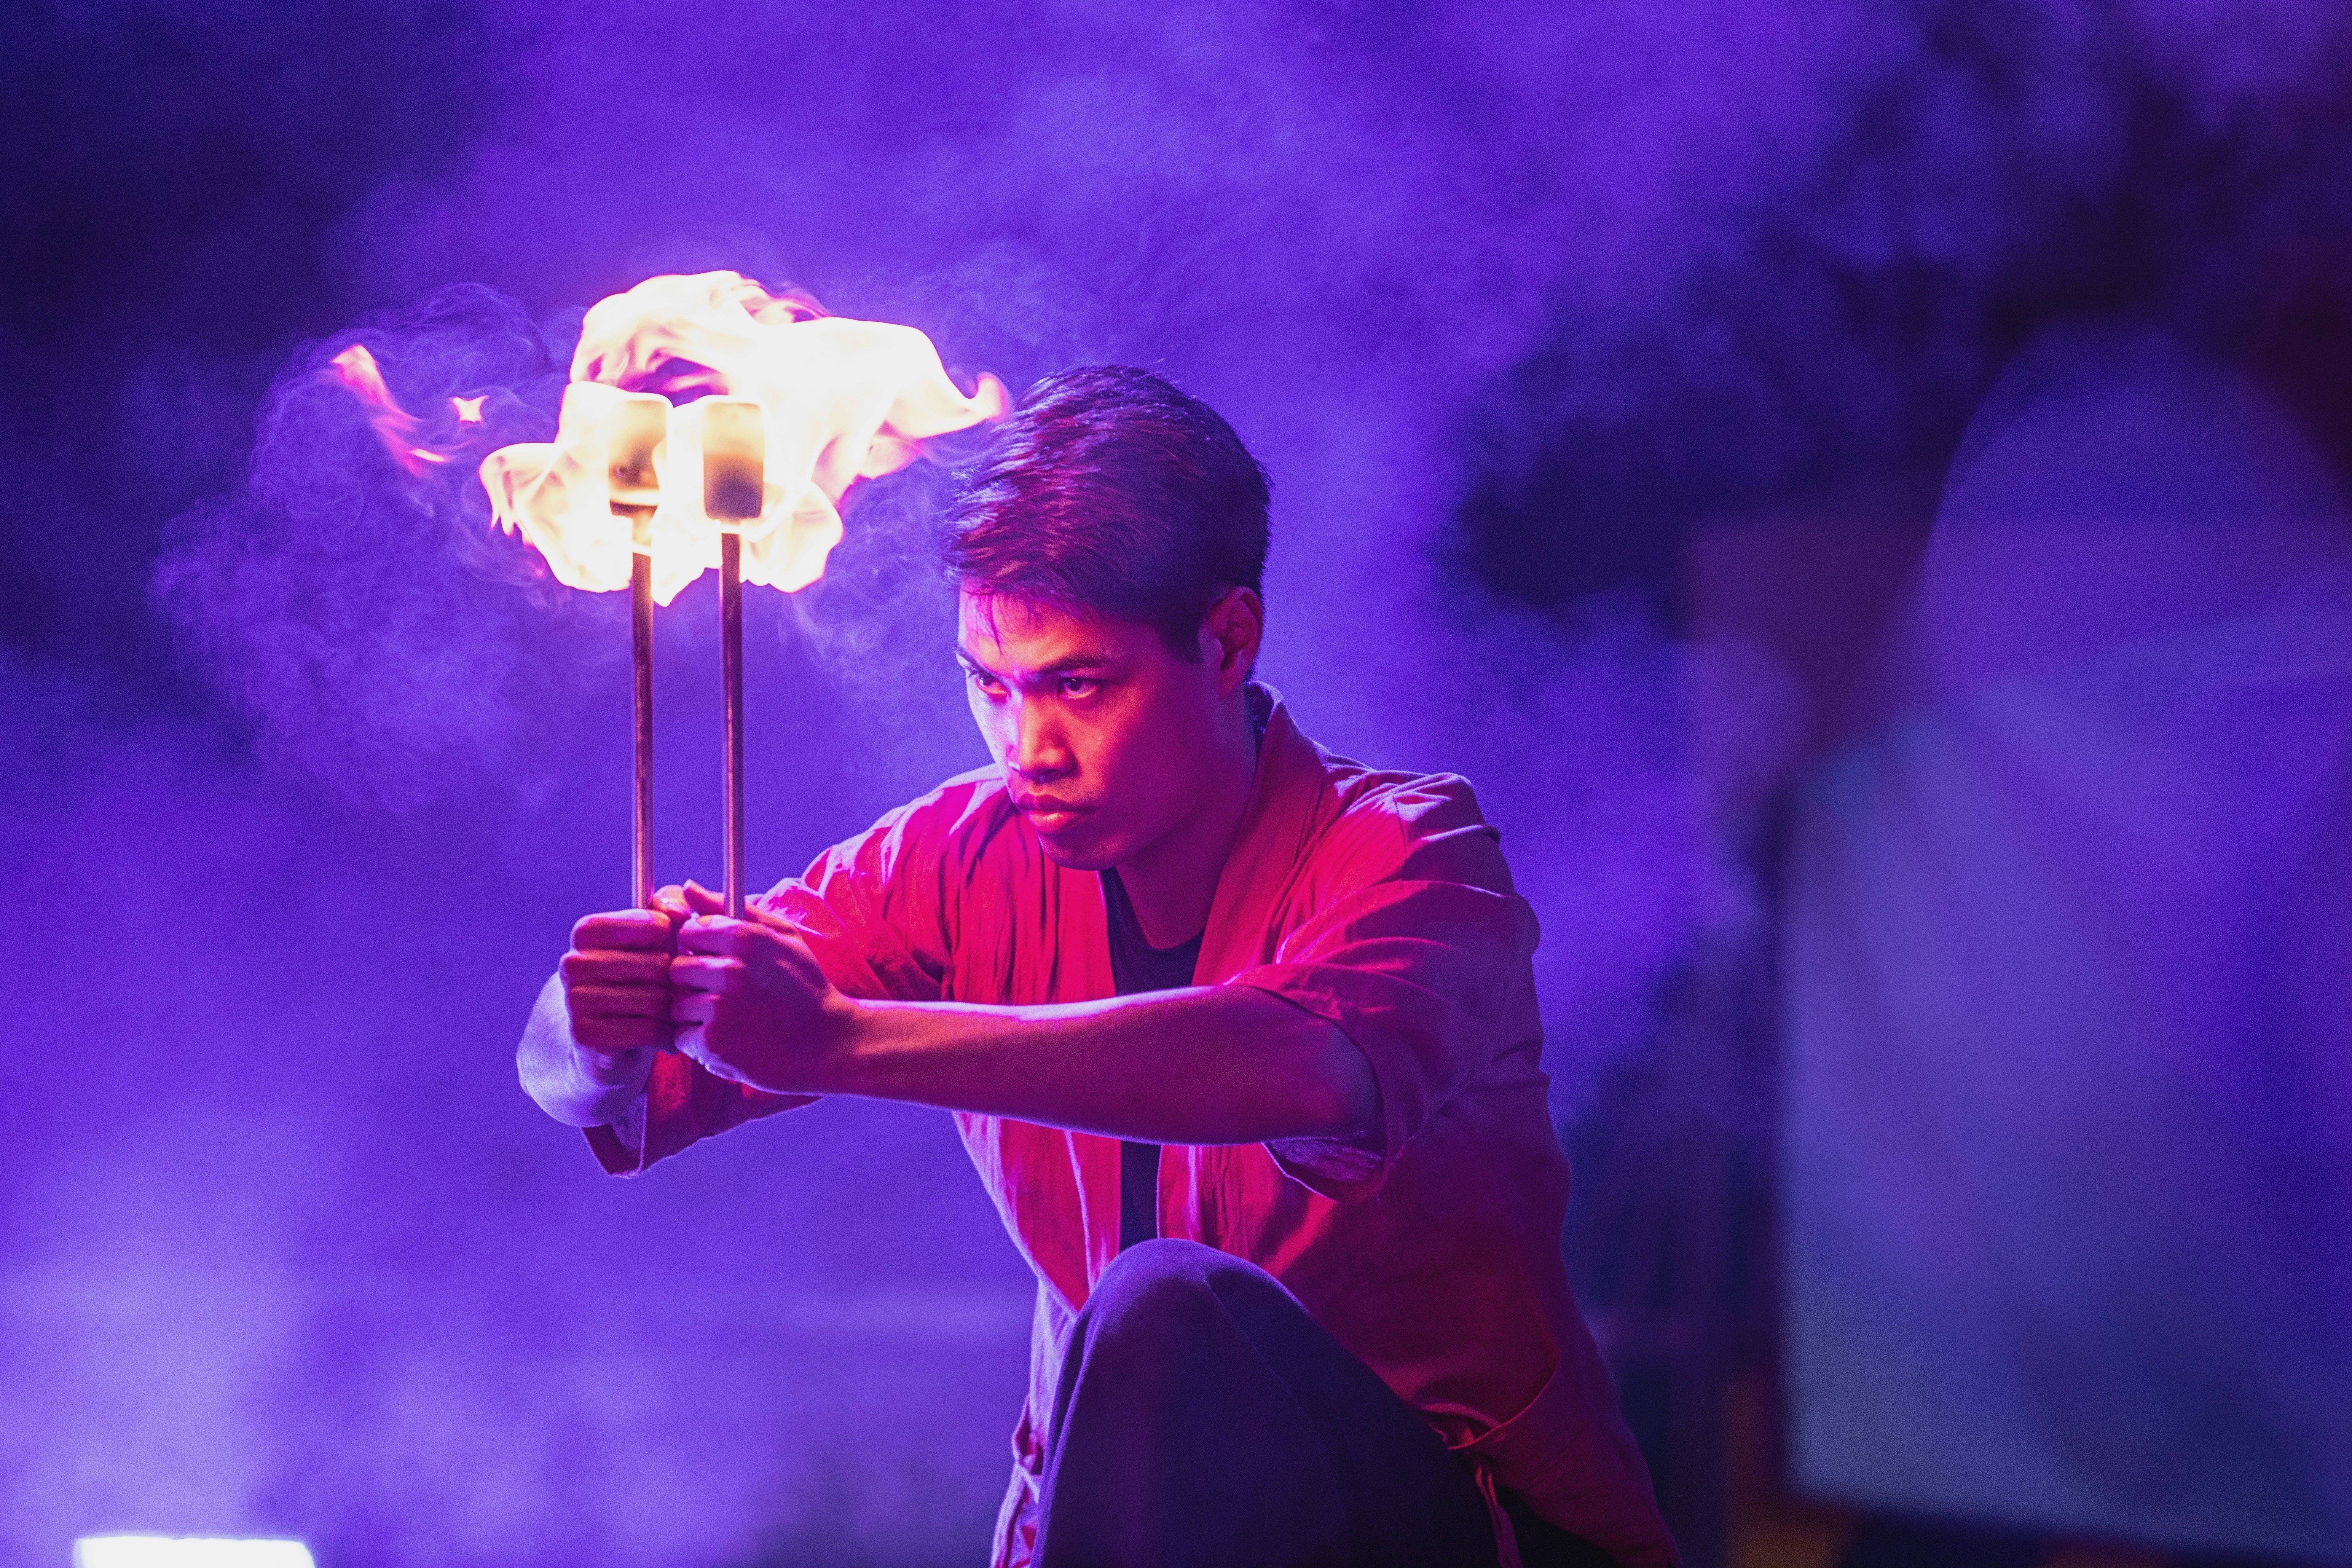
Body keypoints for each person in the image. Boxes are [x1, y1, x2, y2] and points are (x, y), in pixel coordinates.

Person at [519, 366, 1677, 1568]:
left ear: (1227, 640)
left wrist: (841, 1041)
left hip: (1455, 1533)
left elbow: (1306, 1063)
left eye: (1077, 685)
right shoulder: (951, 857)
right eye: (988, 686)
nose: (1028, 748)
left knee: (1160, 1304)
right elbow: (590, 1086)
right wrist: (593, 1026)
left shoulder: (1410, 849)